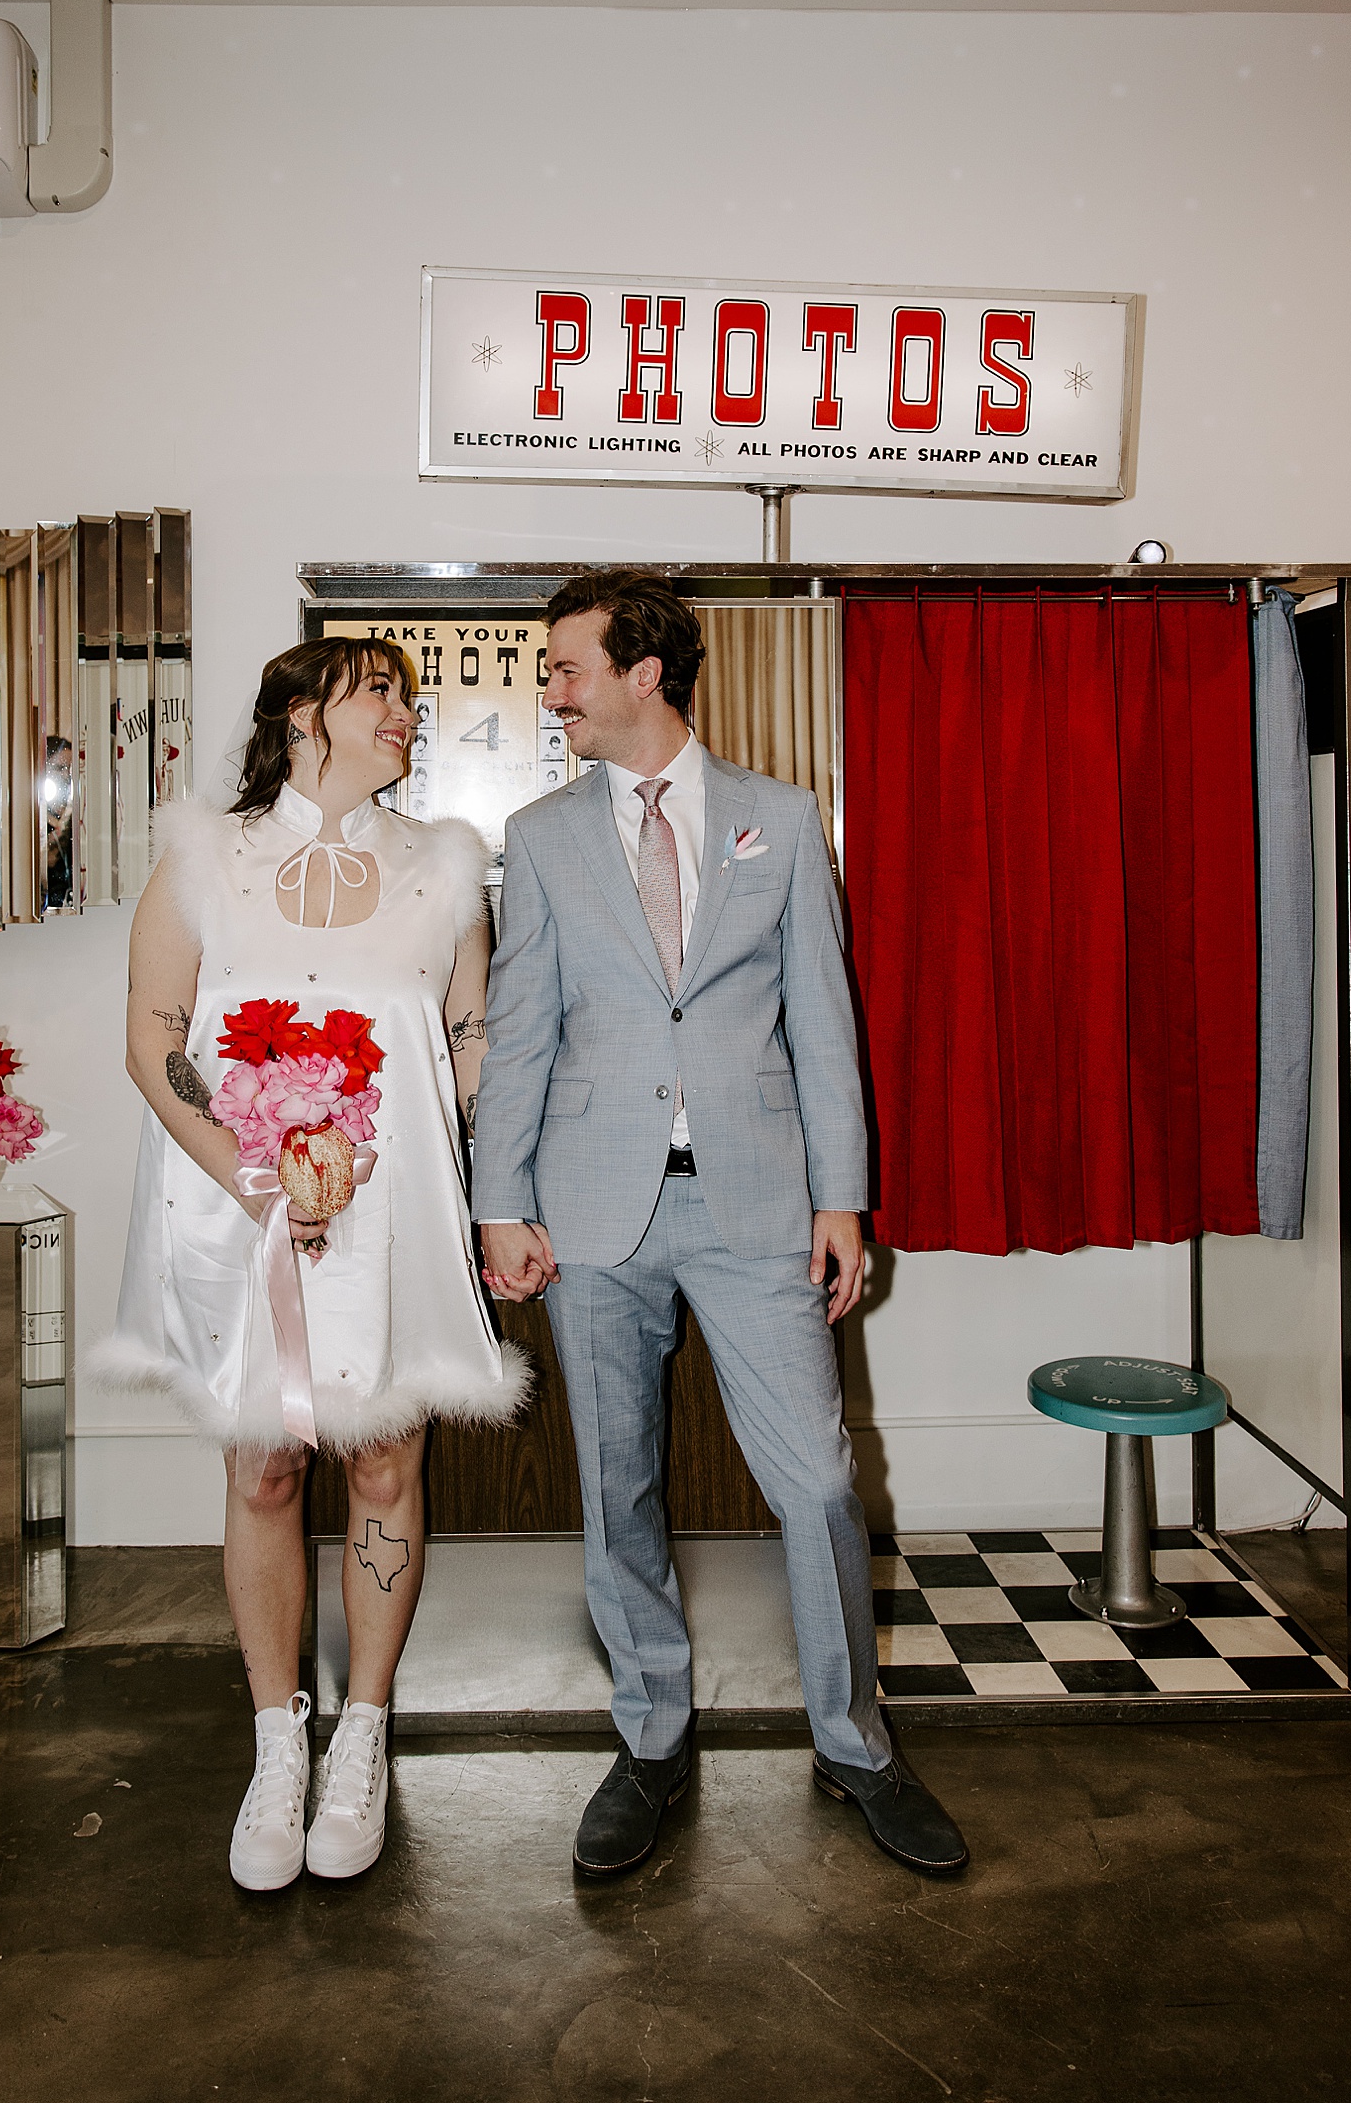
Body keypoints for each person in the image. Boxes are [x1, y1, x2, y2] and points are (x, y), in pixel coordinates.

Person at [473, 570, 968, 1879]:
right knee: (615, 1486)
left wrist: (843, 1197)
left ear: (645, 672)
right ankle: (650, 1740)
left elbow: (825, 1023)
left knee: (815, 1482)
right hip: (591, 1211)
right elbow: (520, 1037)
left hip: (758, 1204)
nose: (555, 691)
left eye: (570, 667)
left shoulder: (783, 821)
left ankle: (855, 1741)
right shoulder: (540, 837)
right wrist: (501, 1201)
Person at [92, 638, 528, 1891]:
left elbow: (469, 1038)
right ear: (300, 713)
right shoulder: (200, 862)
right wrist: (251, 1167)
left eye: (403, 692)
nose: (405, 710)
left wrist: (390, 1160)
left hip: (390, 1211)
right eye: (377, 689)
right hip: (236, 1210)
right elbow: (155, 1038)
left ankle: (364, 1734)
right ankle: (277, 1737)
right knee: (266, 1462)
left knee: (386, 1454)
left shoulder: (446, 869)